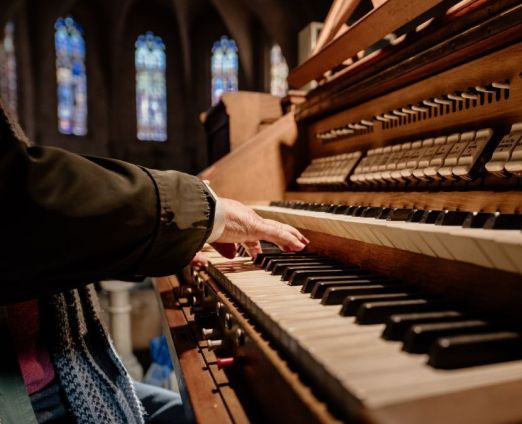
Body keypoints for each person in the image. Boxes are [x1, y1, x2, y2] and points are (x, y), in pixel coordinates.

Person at [0, 98, 308, 423]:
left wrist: (175, 244)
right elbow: (17, 200)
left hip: (74, 372)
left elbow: (42, 236)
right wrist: (203, 216)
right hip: (31, 398)